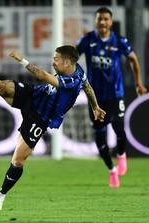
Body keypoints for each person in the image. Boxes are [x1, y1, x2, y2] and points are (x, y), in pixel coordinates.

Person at [0, 45, 106, 211]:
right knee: (3, 87)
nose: (53, 62)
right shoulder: (80, 71)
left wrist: (22, 60)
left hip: (39, 118)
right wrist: (95, 107)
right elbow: (88, 88)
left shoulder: (70, 81)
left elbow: (42, 75)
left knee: (18, 161)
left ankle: (1, 194)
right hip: (34, 95)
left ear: (67, 62)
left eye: (56, 59)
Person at [76, 7, 147, 188]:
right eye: (99, 18)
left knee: (119, 129)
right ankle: (111, 170)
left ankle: (122, 155)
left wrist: (139, 83)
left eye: (106, 19)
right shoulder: (88, 40)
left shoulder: (119, 41)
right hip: (95, 97)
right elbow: (73, 56)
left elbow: (133, 59)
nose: (102, 22)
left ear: (111, 21)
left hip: (115, 94)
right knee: (100, 138)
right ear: (95, 21)